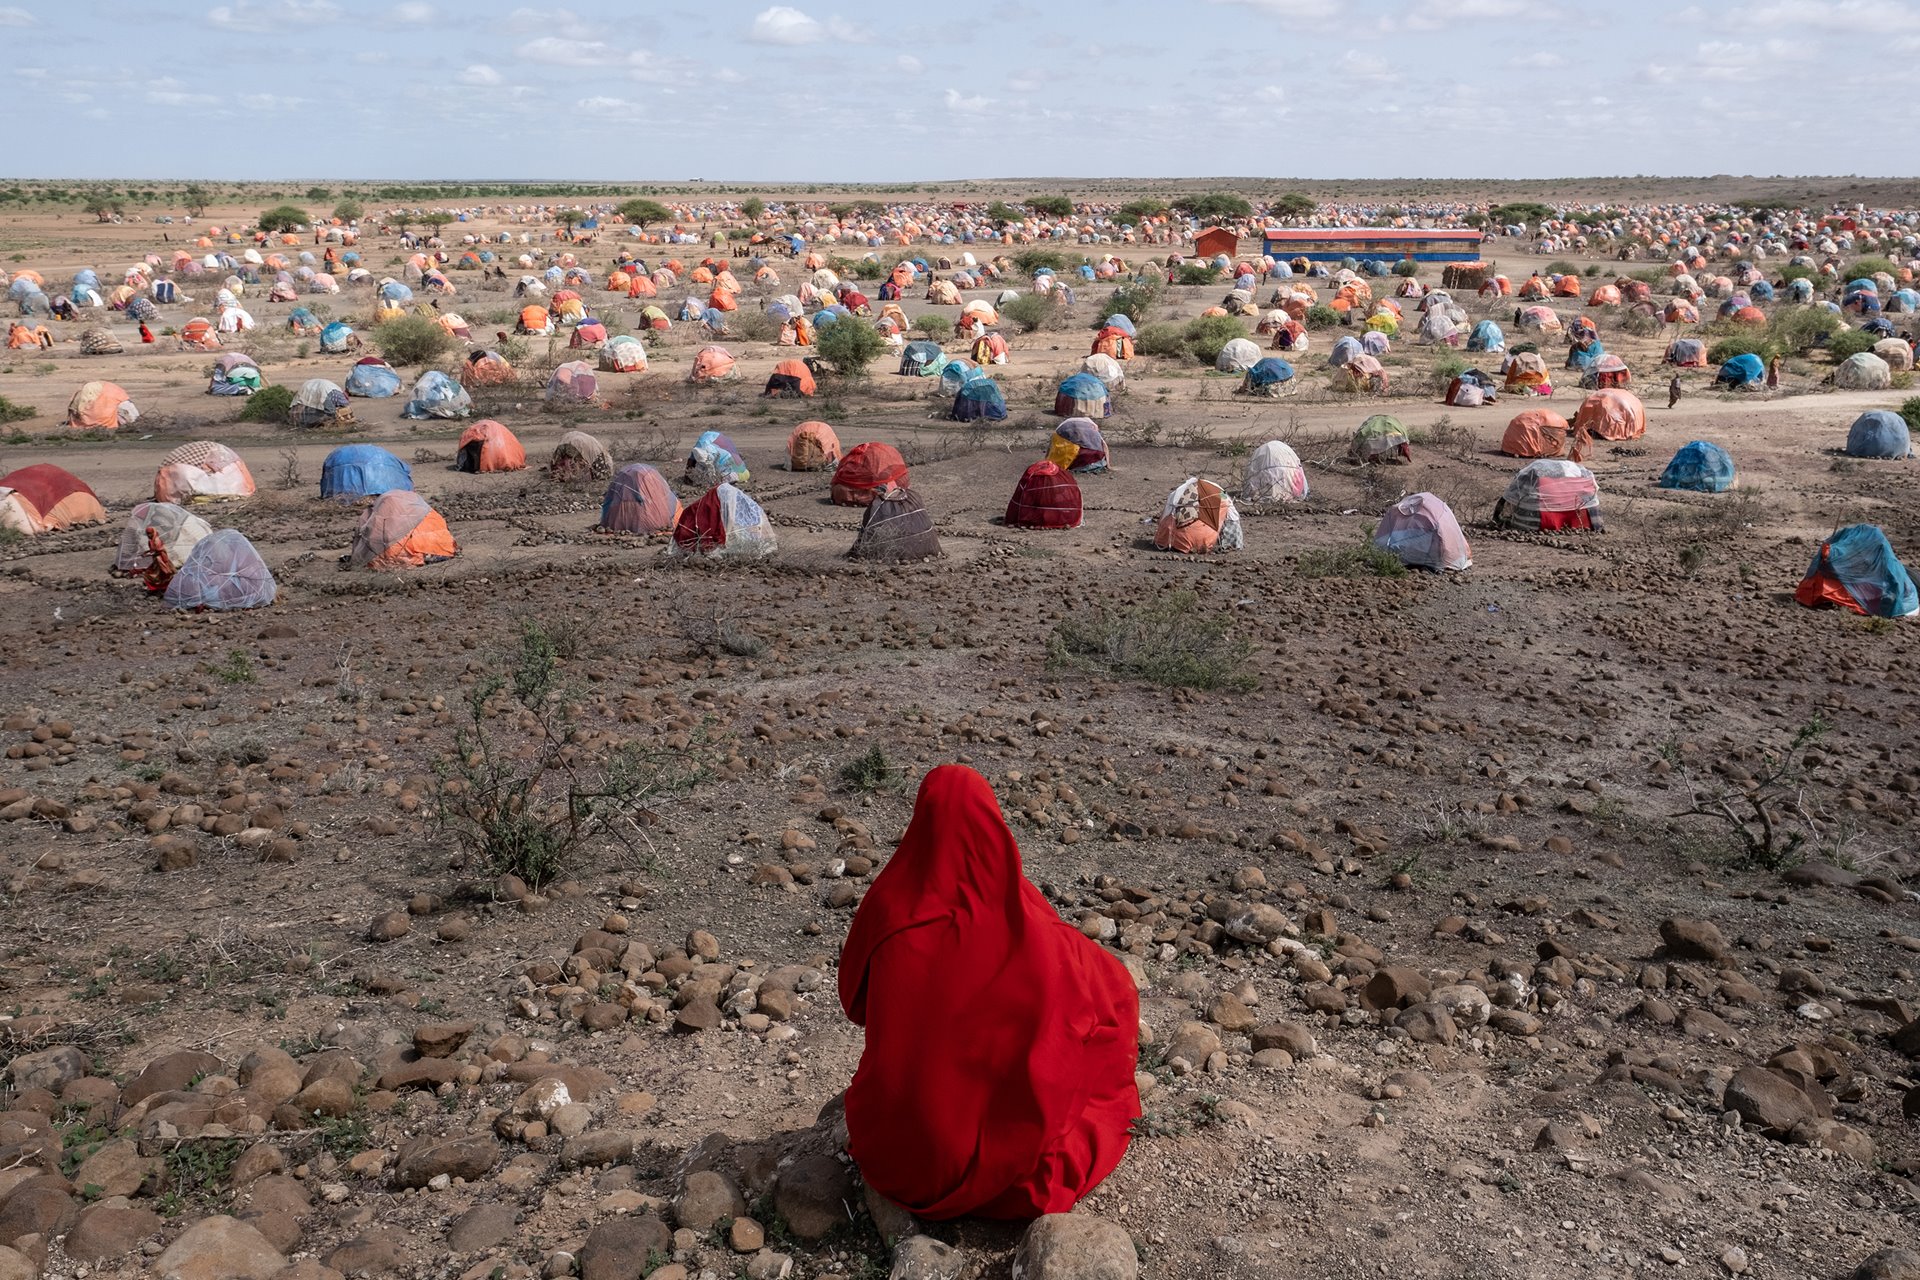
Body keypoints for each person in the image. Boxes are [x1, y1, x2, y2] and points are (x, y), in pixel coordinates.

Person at [838, 765, 1140, 1221]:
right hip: (998, 1173)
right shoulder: (1030, 924)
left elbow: (854, 1003)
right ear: (993, 825)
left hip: (894, 1160)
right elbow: (1114, 991)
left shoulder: (887, 907)